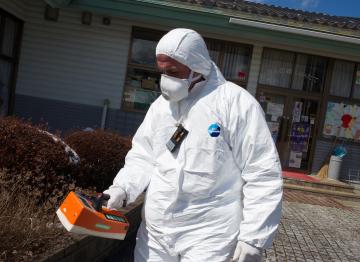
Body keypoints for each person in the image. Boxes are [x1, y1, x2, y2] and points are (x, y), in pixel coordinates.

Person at [104, 28, 282, 262]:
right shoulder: (161, 107)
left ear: (196, 65)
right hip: (156, 232)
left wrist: (254, 237)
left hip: (210, 235)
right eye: (162, 72)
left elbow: (262, 172)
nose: (166, 79)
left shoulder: (235, 104)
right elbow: (144, 155)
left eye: (173, 71)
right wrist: (123, 188)